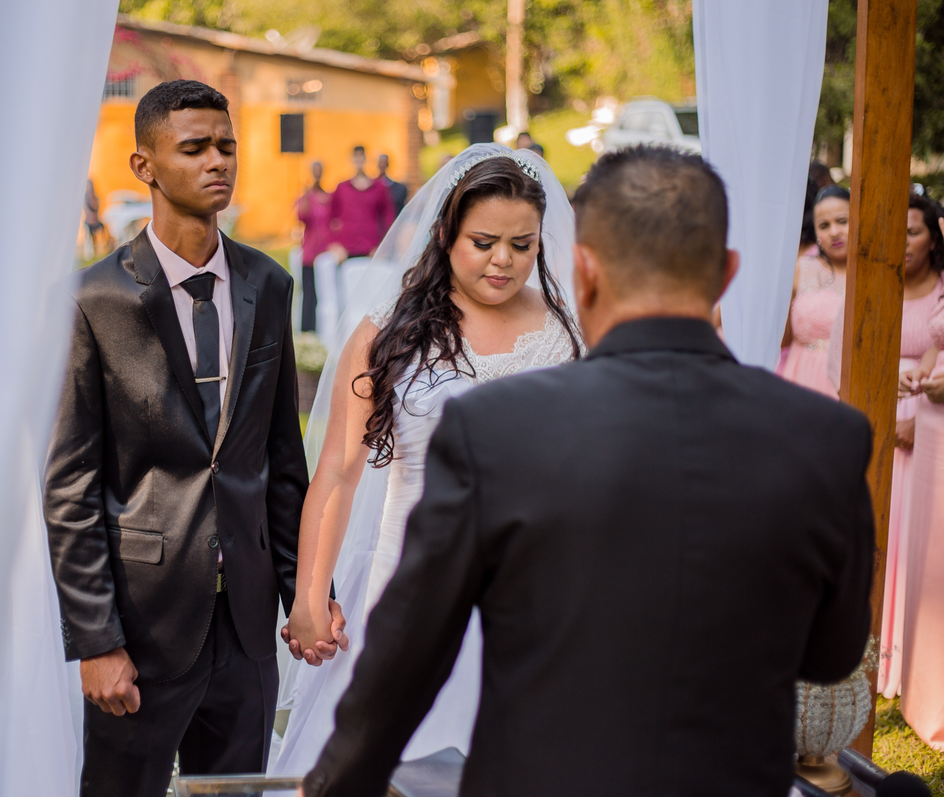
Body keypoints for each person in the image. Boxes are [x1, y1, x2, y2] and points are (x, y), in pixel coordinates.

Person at [300, 145, 874, 797]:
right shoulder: (832, 438)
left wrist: (340, 781)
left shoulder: (499, 423)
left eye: (522, 244)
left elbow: (409, 654)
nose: (503, 259)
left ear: (582, 269)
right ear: (729, 273)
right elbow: (831, 655)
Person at [44, 80, 330, 797]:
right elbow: (70, 487)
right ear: (144, 166)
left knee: (237, 792)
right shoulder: (93, 299)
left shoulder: (268, 283)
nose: (217, 162)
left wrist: (300, 590)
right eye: (194, 147)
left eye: (226, 146)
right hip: (142, 620)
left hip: (247, 621)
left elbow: (281, 460)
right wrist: (98, 642)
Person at [269, 145, 582, 777]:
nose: (504, 261)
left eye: (523, 245)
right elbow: (338, 471)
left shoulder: (566, 335)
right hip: (403, 588)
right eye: (485, 241)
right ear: (445, 233)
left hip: (528, 603)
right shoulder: (386, 332)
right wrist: (308, 595)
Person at [876, 194, 944, 701]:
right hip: (881, 421)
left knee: (915, 539)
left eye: (913, 231)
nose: (903, 242)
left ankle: (913, 656)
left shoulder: (941, 293)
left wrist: (918, 423)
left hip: (926, 428)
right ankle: (877, 646)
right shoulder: (877, 281)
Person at [901, 206, 944, 746]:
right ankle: (926, 689)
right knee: (929, 555)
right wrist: (924, 368)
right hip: (933, 422)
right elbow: (936, 339)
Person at [777, 186, 849, 397]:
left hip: (846, 382)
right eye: (824, 226)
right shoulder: (800, 268)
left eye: (842, 221)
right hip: (799, 376)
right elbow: (783, 337)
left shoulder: (873, 276)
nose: (834, 232)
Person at [329, 146, 393, 258]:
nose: (359, 160)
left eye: (361, 156)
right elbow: (329, 218)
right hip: (346, 250)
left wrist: (383, 245)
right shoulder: (342, 188)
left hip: (372, 249)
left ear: (366, 159)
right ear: (352, 160)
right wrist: (335, 244)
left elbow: (388, 218)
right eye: (356, 156)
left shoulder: (379, 188)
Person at [297, 161, 333, 331]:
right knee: (309, 295)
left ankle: (325, 329)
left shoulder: (329, 197)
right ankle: (308, 330)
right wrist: (306, 193)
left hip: (326, 253)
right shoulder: (306, 197)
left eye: (320, 171)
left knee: (326, 294)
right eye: (315, 171)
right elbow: (301, 217)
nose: (317, 173)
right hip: (310, 253)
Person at [83, 178, 107, 255]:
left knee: (102, 228)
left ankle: (105, 245)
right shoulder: (86, 198)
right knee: (91, 234)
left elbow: (96, 208)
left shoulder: (93, 196)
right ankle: (93, 249)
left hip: (95, 221)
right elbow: (92, 209)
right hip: (90, 222)